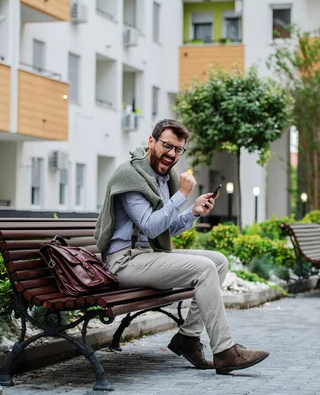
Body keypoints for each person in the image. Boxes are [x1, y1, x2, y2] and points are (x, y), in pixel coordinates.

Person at [94, 119, 269, 374]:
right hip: (123, 262)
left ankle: (188, 337)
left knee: (218, 261)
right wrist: (180, 197)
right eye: (167, 146)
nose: (172, 154)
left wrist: (193, 212)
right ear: (151, 141)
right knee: (204, 268)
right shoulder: (129, 175)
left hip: (148, 257)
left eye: (178, 149)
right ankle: (225, 351)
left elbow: (166, 227)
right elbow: (150, 226)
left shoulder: (165, 178)